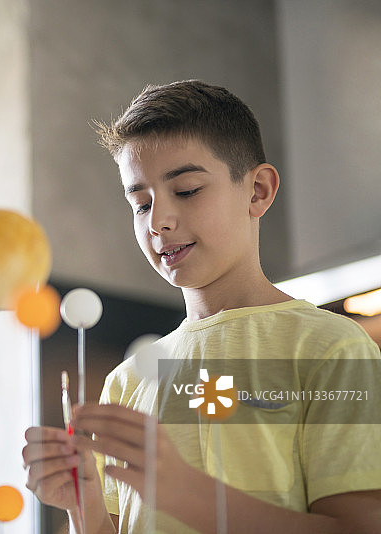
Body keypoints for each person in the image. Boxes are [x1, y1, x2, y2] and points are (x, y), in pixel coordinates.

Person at [22, 80, 381, 533]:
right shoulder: (126, 382)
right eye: (141, 204)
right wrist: (83, 506)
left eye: (187, 190)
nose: (158, 221)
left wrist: (191, 496)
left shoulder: (330, 349)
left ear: (258, 191)